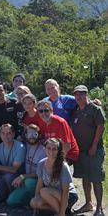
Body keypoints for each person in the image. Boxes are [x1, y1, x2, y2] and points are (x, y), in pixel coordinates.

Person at [71, 85, 105, 216]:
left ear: (87, 95)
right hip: (81, 150)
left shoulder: (95, 108)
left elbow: (100, 127)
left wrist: (94, 145)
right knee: (85, 177)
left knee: (96, 178)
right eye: (76, 94)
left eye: (82, 94)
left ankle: (99, 208)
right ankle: (88, 204)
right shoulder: (76, 110)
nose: (79, 96)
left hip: (94, 150)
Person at [30, 138, 78, 216]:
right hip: (50, 194)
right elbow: (39, 184)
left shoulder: (63, 167)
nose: (51, 151)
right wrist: (35, 206)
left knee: (44, 191)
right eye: (49, 148)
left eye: (54, 149)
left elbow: (66, 192)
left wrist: (61, 212)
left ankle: (60, 212)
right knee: (34, 202)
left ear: (58, 151)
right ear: (44, 148)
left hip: (69, 196)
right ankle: (64, 210)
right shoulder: (41, 163)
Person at [6, 124, 47, 207]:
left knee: (29, 182)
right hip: (26, 182)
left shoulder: (43, 151)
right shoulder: (26, 147)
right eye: (29, 134)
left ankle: (38, 202)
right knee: (10, 201)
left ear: (39, 135)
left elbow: (40, 173)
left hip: (37, 183)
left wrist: (23, 177)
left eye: (35, 134)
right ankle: (30, 201)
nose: (32, 137)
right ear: (25, 136)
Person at [0, 124, 26, 202]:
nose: (5, 136)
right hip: (3, 174)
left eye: (8, 133)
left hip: (17, 176)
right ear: (0, 135)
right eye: (3, 133)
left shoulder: (20, 147)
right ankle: (4, 194)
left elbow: (14, 170)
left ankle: (14, 195)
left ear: (13, 134)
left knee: (8, 177)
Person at [37, 100, 79, 165]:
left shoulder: (60, 123)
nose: (43, 113)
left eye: (46, 110)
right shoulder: (44, 123)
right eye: (41, 111)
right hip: (55, 152)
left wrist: (55, 161)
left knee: (51, 170)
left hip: (69, 155)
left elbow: (67, 147)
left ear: (51, 111)